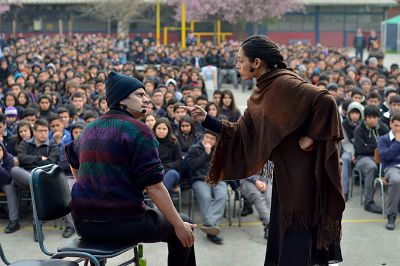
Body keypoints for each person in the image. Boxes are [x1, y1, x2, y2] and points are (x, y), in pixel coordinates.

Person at [185, 35, 344, 266]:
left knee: (296, 232)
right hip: (284, 173)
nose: (237, 65)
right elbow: (240, 131)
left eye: (240, 60)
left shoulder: (284, 83)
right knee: (284, 232)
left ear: (256, 62)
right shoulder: (262, 90)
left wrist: (312, 136)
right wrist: (207, 119)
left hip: (302, 175)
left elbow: (326, 100)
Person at [65, 72, 196, 266]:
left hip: (83, 224)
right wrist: (179, 226)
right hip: (123, 223)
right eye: (140, 95)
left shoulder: (89, 128)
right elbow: (155, 187)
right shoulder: (139, 131)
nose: (147, 99)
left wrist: (92, 188)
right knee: (184, 224)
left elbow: (73, 160)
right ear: (122, 100)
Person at [377, 112, 400, 230]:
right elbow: (385, 156)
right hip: (390, 167)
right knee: (396, 180)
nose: (398, 129)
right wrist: (397, 142)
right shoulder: (383, 139)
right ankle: (391, 216)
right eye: (396, 125)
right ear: (390, 124)